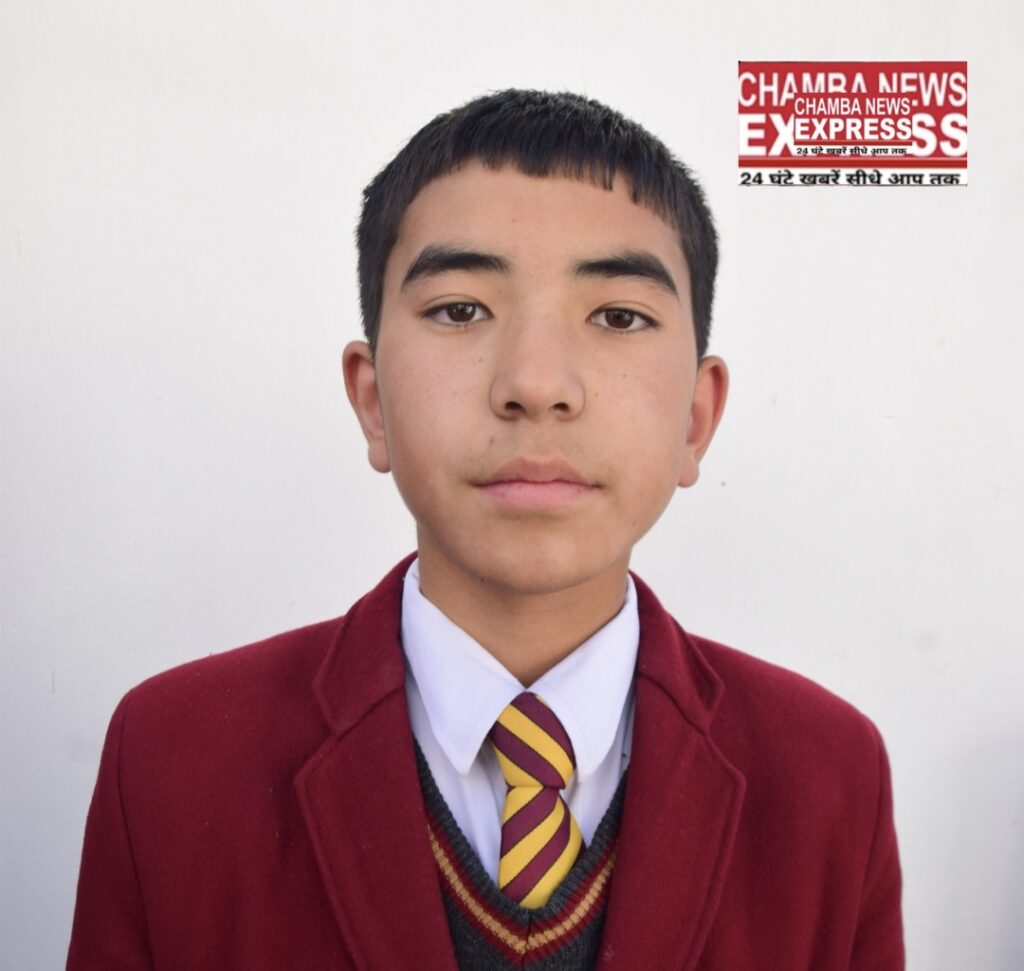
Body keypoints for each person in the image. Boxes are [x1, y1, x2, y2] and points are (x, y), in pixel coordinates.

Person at [67, 89, 904, 970]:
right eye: (461, 309)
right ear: (372, 401)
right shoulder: (173, 759)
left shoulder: (826, 776)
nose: (535, 384)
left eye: (618, 316)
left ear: (697, 418)